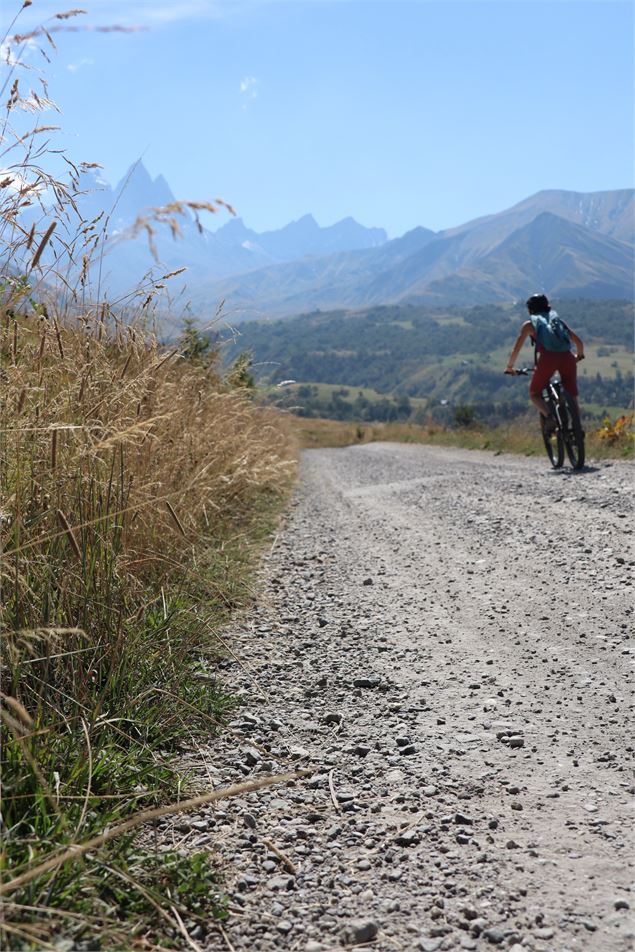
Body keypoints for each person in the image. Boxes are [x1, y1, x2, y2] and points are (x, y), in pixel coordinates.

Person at [505, 293, 585, 432]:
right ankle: (577, 428)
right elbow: (578, 341)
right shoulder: (557, 321)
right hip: (567, 357)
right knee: (572, 394)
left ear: (530, 310)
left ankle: (549, 417)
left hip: (548, 359)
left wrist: (510, 367)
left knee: (534, 394)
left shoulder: (530, 325)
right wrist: (579, 355)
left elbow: (516, 350)